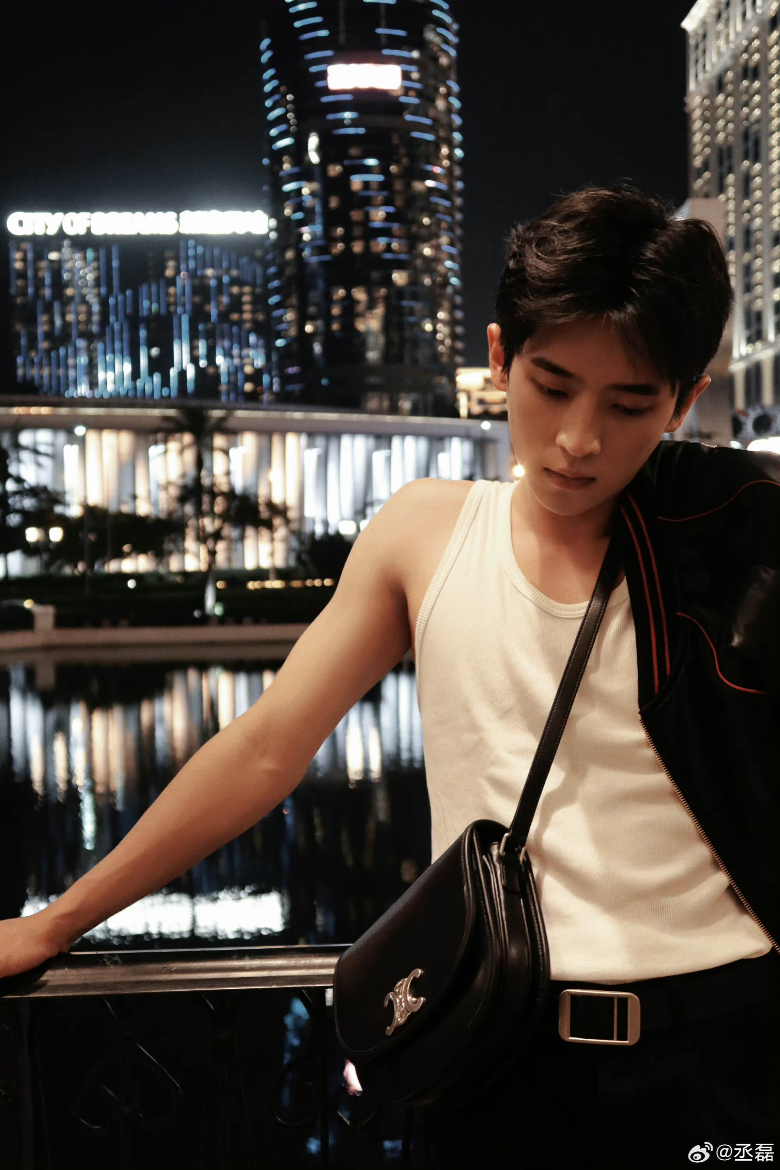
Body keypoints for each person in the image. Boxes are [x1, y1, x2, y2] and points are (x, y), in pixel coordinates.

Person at [1, 182, 778, 1168]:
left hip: (724, 1050)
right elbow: (266, 746)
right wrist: (60, 920)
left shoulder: (740, 539)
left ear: (685, 402)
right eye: (551, 386)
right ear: (499, 357)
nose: (580, 440)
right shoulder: (427, 532)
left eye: (629, 406)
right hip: (493, 1049)